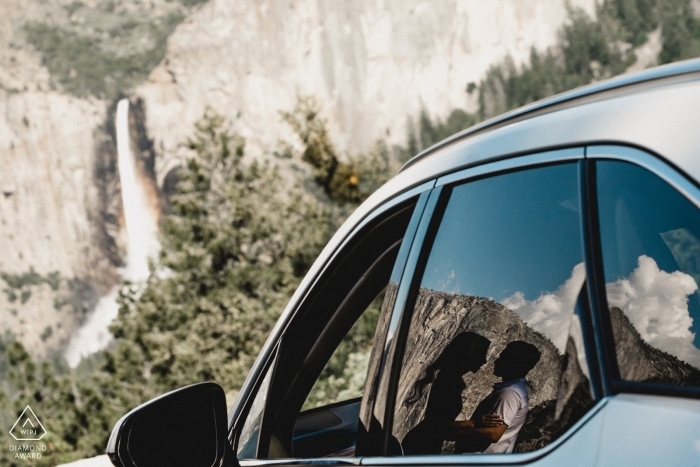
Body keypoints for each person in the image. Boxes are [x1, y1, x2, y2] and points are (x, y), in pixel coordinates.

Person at [401, 332, 492, 455]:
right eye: (481, 354)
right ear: (467, 354)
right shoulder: (449, 381)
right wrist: (475, 424)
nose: (484, 360)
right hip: (422, 444)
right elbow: (437, 425)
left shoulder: (450, 378)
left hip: (425, 442)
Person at [454, 340, 541, 454]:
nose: (496, 361)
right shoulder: (514, 390)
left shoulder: (509, 393)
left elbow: (493, 434)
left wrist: (453, 432)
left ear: (513, 362)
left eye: (502, 357)